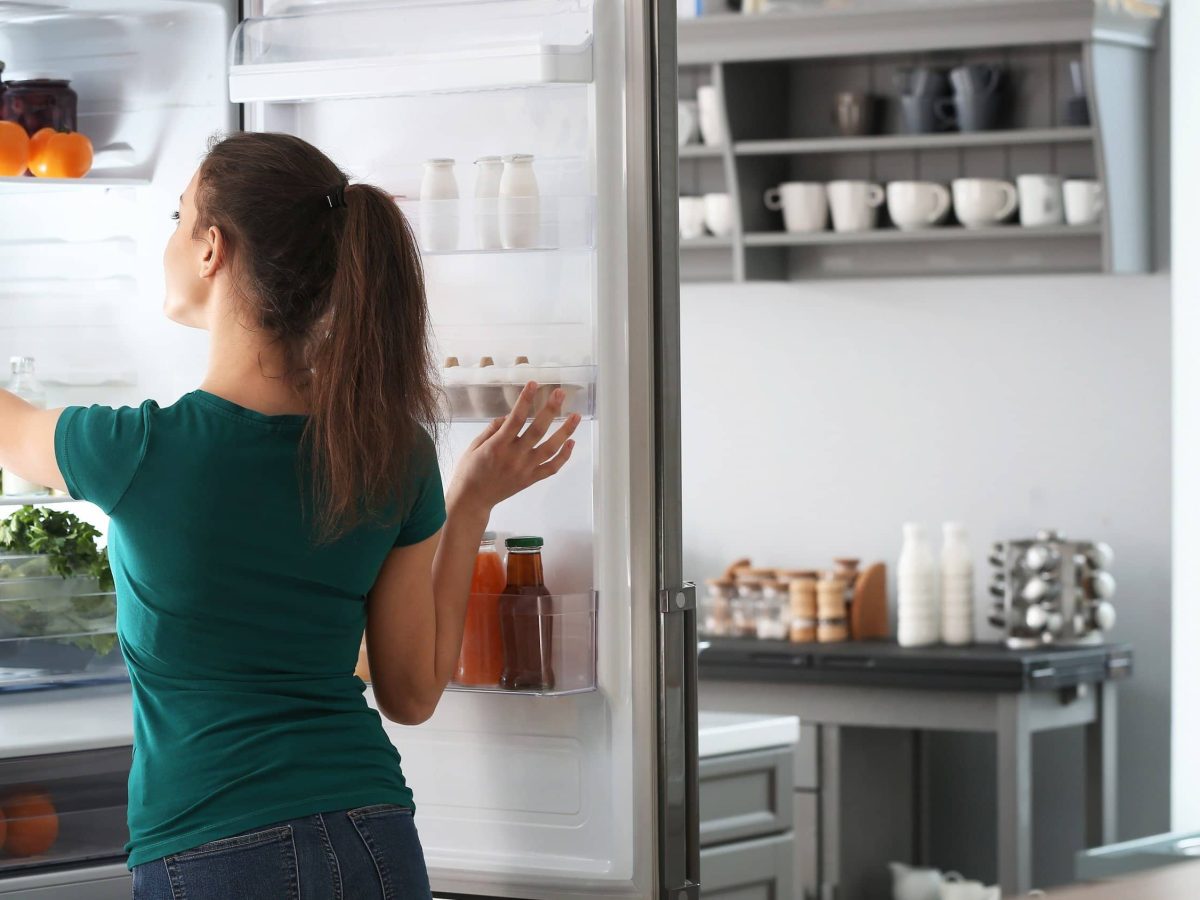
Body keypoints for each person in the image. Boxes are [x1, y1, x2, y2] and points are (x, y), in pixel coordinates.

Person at [0, 132, 579, 899]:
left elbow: (11, 429)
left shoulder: (137, 449)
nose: (168, 238)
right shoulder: (391, 450)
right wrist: (468, 498)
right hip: (375, 836)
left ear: (212, 248)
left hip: (215, 852)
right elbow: (409, 694)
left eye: (178, 217)